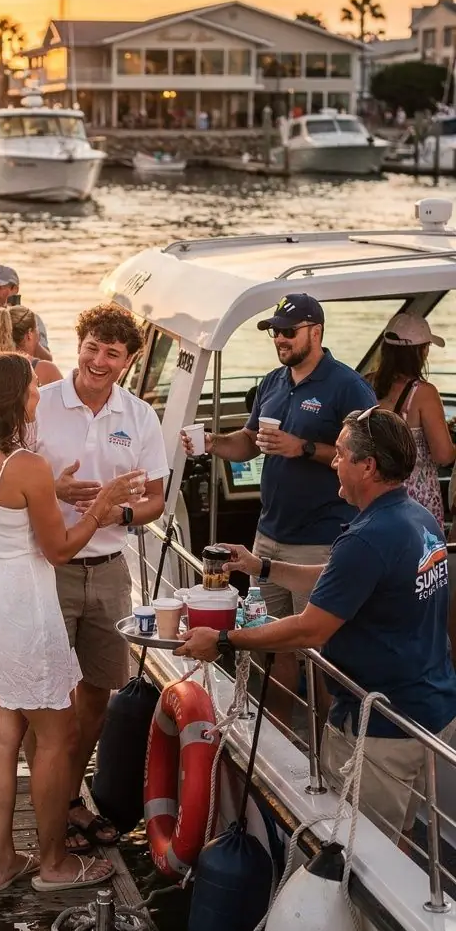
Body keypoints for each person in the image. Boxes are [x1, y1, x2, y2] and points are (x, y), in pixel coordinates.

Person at [180, 409, 456, 843]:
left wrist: (222, 639)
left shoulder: (366, 539)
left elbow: (310, 630)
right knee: (398, 840)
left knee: (357, 853)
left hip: (381, 729)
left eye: (342, 454)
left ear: (368, 466)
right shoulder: (417, 518)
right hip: (431, 712)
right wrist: (262, 566)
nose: (333, 462)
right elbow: (339, 580)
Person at [0, 352, 144, 890]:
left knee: (1, 735)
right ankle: (56, 865)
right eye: (32, 390)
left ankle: (1, 864)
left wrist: (53, 493)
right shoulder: (28, 464)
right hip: (22, 603)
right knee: (56, 738)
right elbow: (59, 549)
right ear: (15, 397)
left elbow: (4, 510)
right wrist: (100, 503)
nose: (39, 396)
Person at [183, 294, 376, 717]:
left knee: (322, 654)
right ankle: (278, 737)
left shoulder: (347, 386)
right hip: (267, 538)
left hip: (322, 542)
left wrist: (302, 447)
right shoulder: (273, 382)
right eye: (275, 332)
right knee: (271, 644)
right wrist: (212, 443)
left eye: (289, 331)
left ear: (316, 332)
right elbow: (249, 443)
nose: (280, 339)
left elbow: (368, 458)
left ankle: (328, 752)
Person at [34, 303, 169, 850]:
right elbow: (2, 477)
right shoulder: (39, 405)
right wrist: (55, 492)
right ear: (79, 344)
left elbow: (157, 499)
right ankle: (55, 806)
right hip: (47, 567)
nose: (97, 360)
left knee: (96, 694)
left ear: (129, 360)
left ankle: (66, 798)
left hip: (111, 571)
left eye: (111, 352)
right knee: (46, 697)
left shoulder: (140, 417)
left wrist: (122, 515)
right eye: (91, 347)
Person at [367, 312, 454, 529]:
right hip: (415, 502)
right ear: (420, 351)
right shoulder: (423, 393)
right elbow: (443, 455)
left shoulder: (364, 384)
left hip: (372, 496)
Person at [0, 306, 62, 386]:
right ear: (29, 333)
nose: (38, 334)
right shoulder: (47, 370)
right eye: (36, 329)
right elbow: (68, 397)